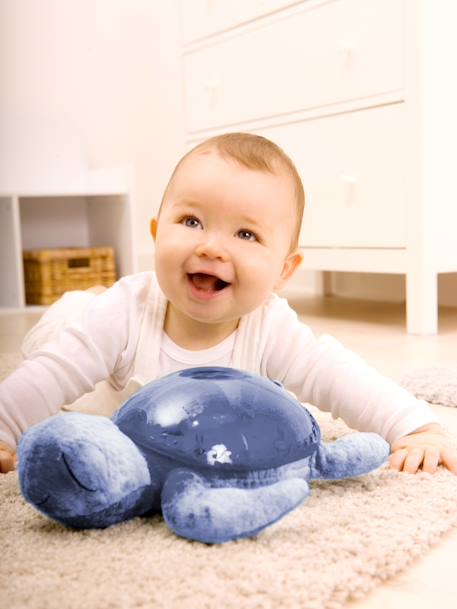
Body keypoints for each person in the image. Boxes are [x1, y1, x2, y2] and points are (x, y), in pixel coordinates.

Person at [0, 132, 456, 477]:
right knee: (63, 331)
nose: (212, 248)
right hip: (86, 345)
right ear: (158, 234)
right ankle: (83, 300)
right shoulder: (126, 314)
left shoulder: (270, 326)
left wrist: (415, 427)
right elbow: (51, 374)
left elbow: (339, 376)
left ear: (283, 271)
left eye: (246, 234)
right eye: (192, 221)